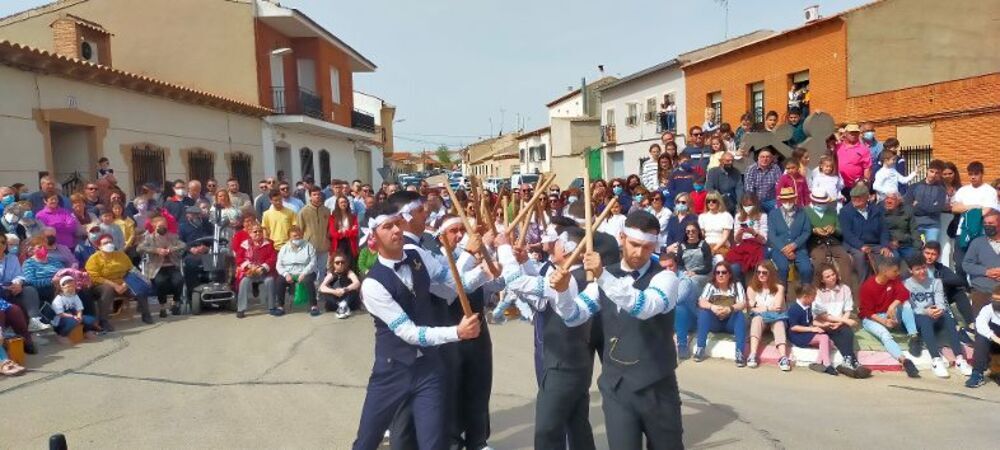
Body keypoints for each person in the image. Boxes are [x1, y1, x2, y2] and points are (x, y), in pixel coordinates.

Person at [352, 202, 486, 450]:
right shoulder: (372, 285)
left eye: (398, 224)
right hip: (392, 371)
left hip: (429, 369)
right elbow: (409, 333)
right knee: (367, 442)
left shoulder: (418, 256)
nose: (396, 231)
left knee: (434, 444)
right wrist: (457, 332)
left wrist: (486, 272)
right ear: (373, 236)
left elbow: (452, 285)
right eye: (387, 226)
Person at [550, 210, 683, 449]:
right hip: (617, 388)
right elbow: (572, 315)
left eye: (647, 247)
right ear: (622, 237)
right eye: (634, 244)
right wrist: (562, 292)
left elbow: (644, 306)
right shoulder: (605, 277)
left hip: (657, 386)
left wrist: (602, 276)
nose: (639, 253)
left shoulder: (666, 279)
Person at [904, 255, 973, 378]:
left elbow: (941, 302)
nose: (922, 271)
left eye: (924, 268)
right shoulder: (906, 285)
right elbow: (910, 308)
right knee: (925, 320)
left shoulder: (936, 282)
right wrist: (926, 311)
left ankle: (960, 359)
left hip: (935, 314)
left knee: (948, 318)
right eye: (918, 269)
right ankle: (936, 360)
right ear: (911, 271)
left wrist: (939, 310)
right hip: (919, 317)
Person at [787, 283, 871, 378]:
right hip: (798, 335)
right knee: (824, 337)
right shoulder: (794, 309)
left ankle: (818, 362)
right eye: (813, 297)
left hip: (806, 332)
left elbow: (811, 321)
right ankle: (827, 365)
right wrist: (812, 329)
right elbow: (794, 327)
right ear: (805, 297)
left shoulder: (807, 306)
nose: (814, 299)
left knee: (829, 342)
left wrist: (824, 325)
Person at [858, 257, 920, 378]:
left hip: (887, 313)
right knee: (884, 335)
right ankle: (903, 360)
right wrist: (884, 321)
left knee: (905, 304)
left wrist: (892, 305)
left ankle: (914, 336)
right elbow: (867, 312)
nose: (898, 273)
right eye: (895, 271)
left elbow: (905, 293)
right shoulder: (868, 286)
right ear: (885, 271)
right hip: (872, 318)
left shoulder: (894, 280)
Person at [87, 233, 153, 328]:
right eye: (105, 243)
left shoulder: (121, 255)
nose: (109, 244)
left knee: (139, 285)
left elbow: (131, 270)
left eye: (110, 242)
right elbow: (94, 277)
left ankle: (146, 314)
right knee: (108, 289)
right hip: (102, 285)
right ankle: (103, 320)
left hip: (123, 282)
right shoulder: (94, 259)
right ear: (99, 246)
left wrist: (125, 284)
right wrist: (115, 286)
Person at [694, 261, 748, 366]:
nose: (720, 275)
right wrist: (712, 307)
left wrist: (730, 308)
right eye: (717, 272)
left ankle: (739, 353)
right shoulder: (711, 285)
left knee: (740, 315)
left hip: (730, 322)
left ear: (730, 274)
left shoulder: (736, 285)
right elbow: (701, 301)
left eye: (724, 272)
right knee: (704, 313)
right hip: (715, 322)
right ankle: (700, 348)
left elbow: (742, 303)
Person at [840, 183, 892, 282]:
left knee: (888, 256)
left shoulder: (877, 210)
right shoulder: (845, 211)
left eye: (858, 198)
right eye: (853, 198)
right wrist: (861, 246)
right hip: (855, 245)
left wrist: (885, 245)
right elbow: (847, 234)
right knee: (860, 257)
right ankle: (865, 285)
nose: (855, 200)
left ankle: (885, 285)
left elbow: (884, 230)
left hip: (874, 243)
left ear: (866, 197)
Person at [745, 261, 791, 371]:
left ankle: (783, 357)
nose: (761, 275)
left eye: (764, 273)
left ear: (771, 274)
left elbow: (778, 307)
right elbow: (751, 309)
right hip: (760, 320)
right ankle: (753, 355)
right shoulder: (751, 288)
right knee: (756, 319)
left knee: (779, 323)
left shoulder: (779, 287)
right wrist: (767, 308)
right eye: (758, 272)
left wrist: (758, 306)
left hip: (776, 318)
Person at [138, 217, 185, 318]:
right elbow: (139, 248)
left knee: (179, 280)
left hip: (172, 265)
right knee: (160, 282)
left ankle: (175, 302)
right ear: (154, 226)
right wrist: (156, 250)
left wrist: (171, 249)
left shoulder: (173, 236)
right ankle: (162, 306)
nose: (162, 228)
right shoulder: (149, 238)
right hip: (157, 267)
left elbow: (183, 245)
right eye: (160, 226)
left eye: (164, 226)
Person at [0, 234, 47, 332]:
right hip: (2, 290)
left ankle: (34, 320)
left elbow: (19, 274)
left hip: (12, 287)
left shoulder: (12, 258)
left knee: (29, 290)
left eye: (3, 242)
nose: (1, 245)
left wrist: (18, 283)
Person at [805, 192, 853, 286]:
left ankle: (846, 289)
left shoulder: (832, 211)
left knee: (845, 258)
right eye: (820, 203)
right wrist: (813, 230)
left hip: (832, 242)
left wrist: (833, 229)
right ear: (813, 201)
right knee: (819, 260)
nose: (823, 205)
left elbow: (840, 231)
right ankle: (818, 289)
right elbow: (802, 231)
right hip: (815, 243)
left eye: (824, 203)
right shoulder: (805, 211)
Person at [768, 187, 813, 284]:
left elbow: (806, 231)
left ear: (795, 199)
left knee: (806, 269)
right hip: (779, 249)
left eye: (790, 199)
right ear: (780, 200)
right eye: (785, 199)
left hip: (799, 249)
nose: (787, 201)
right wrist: (784, 249)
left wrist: (794, 245)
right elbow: (771, 235)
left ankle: (806, 293)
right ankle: (781, 294)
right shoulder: (773, 214)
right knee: (782, 268)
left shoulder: (803, 212)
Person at [234, 223, 278, 318]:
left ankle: (272, 307)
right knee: (243, 282)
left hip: (264, 272)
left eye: (260, 231)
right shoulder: (245, 244)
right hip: (250, 272)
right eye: (255, 231)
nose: (258, 233)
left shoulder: (269, 243)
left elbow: (273, 258)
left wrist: (262, 268)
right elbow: (239, 259)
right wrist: (249, 266)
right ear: (250, 233)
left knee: (270, 281)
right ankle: (241, 309)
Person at [725, 193, 767, 283]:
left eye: (750, 205)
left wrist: (754, 233)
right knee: (734, 268)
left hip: (757, 246)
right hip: (742, 247)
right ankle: (742, 290)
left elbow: (764, 241)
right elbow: (737, 240)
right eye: (745, 205)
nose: (748, 207)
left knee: (759, 266)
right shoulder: (738, 216)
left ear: (755, 205)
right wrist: (739, 234)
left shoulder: (762, 216)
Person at [275, 226, 317, 314]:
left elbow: (313, 262)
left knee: (308, 280)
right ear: (289, 237)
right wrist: (286, 274)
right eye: (294, 236)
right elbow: (279, 265)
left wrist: (304, 273)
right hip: (289, 273)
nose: (297, 237)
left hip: (306, 272)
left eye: (299, 235)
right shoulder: (284, 248)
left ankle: (314, 306)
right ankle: (280, 306)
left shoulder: (309, 246)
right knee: (279, 281)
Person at [965, 286, 1000, 388]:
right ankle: (977, 374)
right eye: (994, 299)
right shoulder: (988, 309)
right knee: (981, 337)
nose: (996, 303)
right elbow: (980, 324)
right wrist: (995, 338)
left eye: (998, 300)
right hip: (992, 342)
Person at [906, 159, 948, 243]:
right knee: (916, 251)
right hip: (915, 225)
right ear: (927, 171)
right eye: (931, 171)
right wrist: (929, 206)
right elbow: (907, 207)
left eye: (937, 173)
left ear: (940, 175)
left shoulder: (942, 190)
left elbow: (936, 209)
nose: (933, 175)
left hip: (933, 226)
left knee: (931, 251)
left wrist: (917, 205)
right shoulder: (914, 187)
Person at [962, 210, 1000, 299]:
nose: (987, 226)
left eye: (991, 223)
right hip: (982, 290)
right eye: (985, 223)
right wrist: (986, 272)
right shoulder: (977, 243)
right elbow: (966, 264)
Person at [51, 276, 101, 341]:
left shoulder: (75, 296)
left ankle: (85, 331)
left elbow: (79, 308)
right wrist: (73, 317)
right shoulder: (58, 299)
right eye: (68, 286)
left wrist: (79, 316)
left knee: (91, 320)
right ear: (62, 287)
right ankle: (62, 335)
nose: (71, 288)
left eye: (72, 286)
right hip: (61, 319)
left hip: (75, 316)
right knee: (73, 321)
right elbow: (60, 314)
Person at [298, 187, 332, 282]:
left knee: (322, 270)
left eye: (318, 194)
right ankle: (311, 292)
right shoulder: (303, 211)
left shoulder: (326, 211)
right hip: (310, 246)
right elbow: (300, 230)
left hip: (324, 246)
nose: (317, 196)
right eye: (314, 194)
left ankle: (320, 292)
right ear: (310, 196)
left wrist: (327, 239)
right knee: (311, 270)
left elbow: (330, 227)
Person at [318, 251, 361, 318]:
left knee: (354, 289)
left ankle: (343, 306)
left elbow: (357, 283)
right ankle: (341, 306)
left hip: (348, 300)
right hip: (335, 301)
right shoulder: (331, 274)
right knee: (326, 291)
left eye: (342, 262)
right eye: (337, 263)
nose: (340, 264)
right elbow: (321, 287)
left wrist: (345, 289)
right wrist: (334, 292)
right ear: (333, 263)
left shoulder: (349, 272)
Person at [835, 124, 872, 198]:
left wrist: (865, 184)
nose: (854, 134)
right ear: (845, 133)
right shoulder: (838, 146)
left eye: (856, 132)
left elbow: (867, 168)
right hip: (838, 185)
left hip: (855, 186)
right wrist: (838, 136)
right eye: (851, 132)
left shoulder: (863, 149)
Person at [882, 192, 921, 261]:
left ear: (899, 201)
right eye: (887, 198)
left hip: (905, 244)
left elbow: (914, 230)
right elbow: (879, 231)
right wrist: (887, 244)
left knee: (915, 256)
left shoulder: (907, 211)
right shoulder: (880, 211)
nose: (888, 201)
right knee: (894, 257)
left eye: (892, 199)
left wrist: (918, 247)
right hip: (888, 245)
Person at [744, 148, 782, 212]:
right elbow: (749, 187)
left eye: (768, 157)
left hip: (771, 200)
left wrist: (779, 198)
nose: (765, 159)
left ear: (771, 159)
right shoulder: (751, 169)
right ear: (758, 158)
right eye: (762, 157)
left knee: (779, 210)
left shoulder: (775, 168)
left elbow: (779, 184)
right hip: (756, 200)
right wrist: (753, 202)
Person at [699, 191, 733, 259]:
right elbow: (702, 235)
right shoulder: (702, 216)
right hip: (707, 245)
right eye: (708, 201)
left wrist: (714, 249)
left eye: (714, 201)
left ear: (719, 202)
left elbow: (725, 237)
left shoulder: (726, 216)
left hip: (721, 246)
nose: (711, 203)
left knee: (718, 259)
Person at [328, 195, 360, 267]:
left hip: (350, 243)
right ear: (338, 204)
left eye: (345, 202)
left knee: (350, 265)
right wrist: (349, 231)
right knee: (339, 265)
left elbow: (355, 232)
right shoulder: (333, 217)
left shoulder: (353, 217)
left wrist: (343, 232)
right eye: (341, 202)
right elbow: (333, 233)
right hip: (338, 244)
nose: (343, 204)